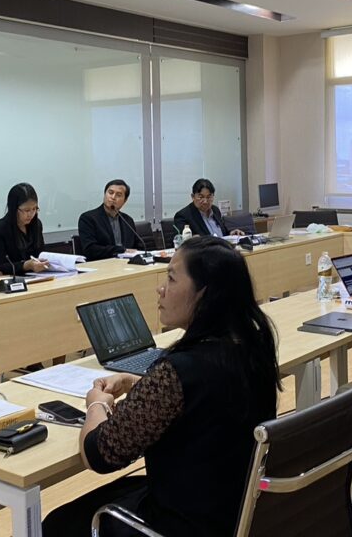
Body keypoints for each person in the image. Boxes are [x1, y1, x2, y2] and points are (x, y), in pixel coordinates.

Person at [42, 236, 280, 536]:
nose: (161, 289)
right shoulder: (252, 347)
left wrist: (96, 403)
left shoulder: (178, 371)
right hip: (231, 509)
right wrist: (140, 383)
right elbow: (207, 393)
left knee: (56, 525)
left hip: (182, 523)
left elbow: (98, 454)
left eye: (171, 278)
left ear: (205, 294)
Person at [0, 183, 50, 276]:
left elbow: (41, 253)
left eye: (34, 209)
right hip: (11, 279)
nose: (31, 214)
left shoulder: (36, 224)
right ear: (14, 209)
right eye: (26, 210)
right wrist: (25, 265)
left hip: (38, 277)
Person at [78, 179, 146, 261]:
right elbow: (90, 249)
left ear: (125, 200)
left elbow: (138, 246)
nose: (113, 197)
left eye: (118, 195)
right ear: (105, 194)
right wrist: (122, 250)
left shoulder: (127, 220)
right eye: (110, 193)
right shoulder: (88, 218)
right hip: (102, 264)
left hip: (127, 263)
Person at [172, 178, 244, 238]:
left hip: (222, 248)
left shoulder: (215, 210)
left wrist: (231, 234)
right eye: (201, 197)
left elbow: (223, 233)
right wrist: (193, 239)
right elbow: (181, 241)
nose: (205, 201)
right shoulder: (183, 216)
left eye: (209, 197)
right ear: (193, 197)